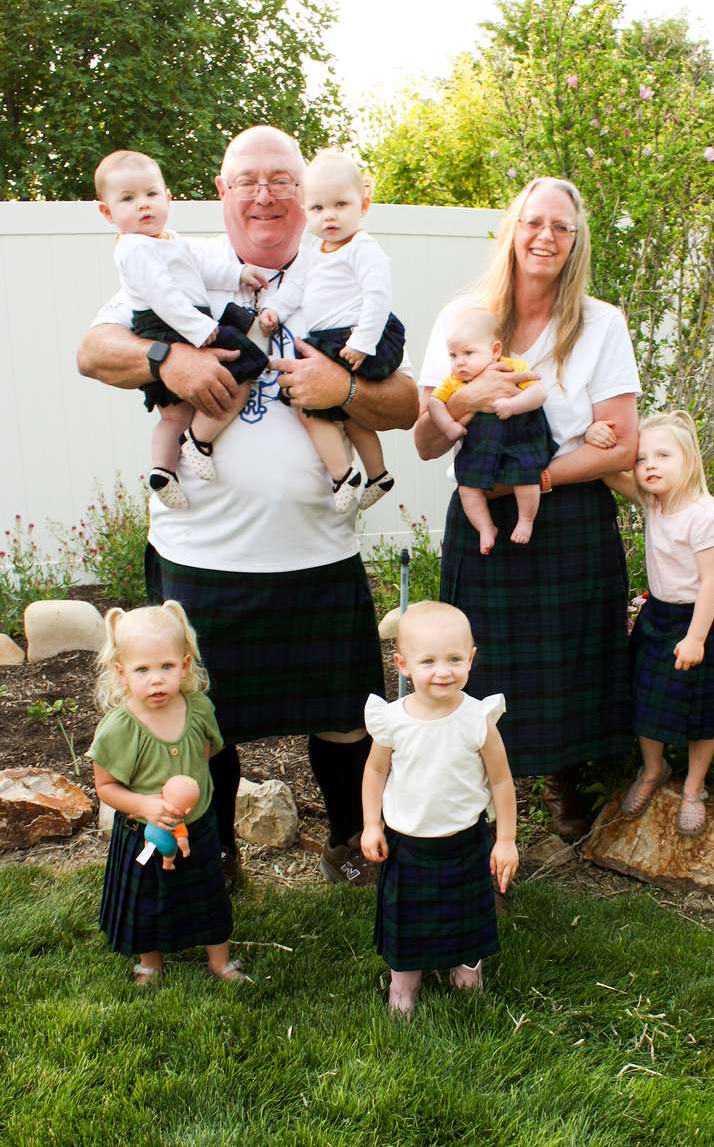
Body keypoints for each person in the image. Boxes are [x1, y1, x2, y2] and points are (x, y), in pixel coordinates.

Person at [77, 125, 419, 890]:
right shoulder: (178, 260)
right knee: (204, 723)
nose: (264, 195)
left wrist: (344, 388)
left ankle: (346, 843)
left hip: (319, 551)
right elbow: (94, 350)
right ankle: (217, 852)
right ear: (221, 192)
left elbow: (405, 403)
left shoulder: (340, 267)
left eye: (282, 180)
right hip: (203, 554)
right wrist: (170, 357)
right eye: (246, 181)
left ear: (307, 193)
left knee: (342, 715)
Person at [415, 176, 641, 841]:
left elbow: (623, 442)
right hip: (481, 516)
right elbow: (426, 442)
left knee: (568, 656)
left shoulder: (600, 324)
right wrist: (464, 397)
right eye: (533, 222)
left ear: (576, 241)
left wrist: (532, 478)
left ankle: (563, 777)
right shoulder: (463, 320)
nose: (545, 236)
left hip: (565, 512)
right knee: (478, 655)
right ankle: (478, 782)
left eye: (561, 227)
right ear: (512, 230)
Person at [361, 601, 518, 1018]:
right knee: (408, 918)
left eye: (454, 659)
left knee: (467, 913)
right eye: (428, 661)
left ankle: (467, 968)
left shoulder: (477, 718)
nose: (443, 671)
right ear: (403, 665)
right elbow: (375, 771)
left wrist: (505, 839)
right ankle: (404, 982)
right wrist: (371, 824)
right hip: (408, 844)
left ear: (471, 658)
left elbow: (501, 781)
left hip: (465, 840)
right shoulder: (393, 720)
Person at [95, 150, 270, 510]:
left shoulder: (169, 240)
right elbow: (164, 297)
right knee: (247, 365)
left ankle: (163, 471)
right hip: (171, 327)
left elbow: (202, 268)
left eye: (151, 194)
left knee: (174, 413)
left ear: (168, 198)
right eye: (128, 198)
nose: (143, 204)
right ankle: (197, 442)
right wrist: (200, 330)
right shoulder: (133, 248)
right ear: (107, 212)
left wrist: (238, 274)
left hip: (184, 324)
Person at [87, 602, 247, 985]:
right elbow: (105, 786)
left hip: (198, 828)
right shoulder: (120, 728)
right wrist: (144, 804)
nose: (156, 680)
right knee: (146, 900)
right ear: (121, 672)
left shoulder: (198, 710)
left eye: (166, 666)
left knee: (209, 894)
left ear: (185, 665)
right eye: (142, 669)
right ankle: (151, 963)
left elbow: (205, 755)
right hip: (143, 834)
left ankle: (220, 961)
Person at [601, 411, 714, 835]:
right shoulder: (653, 502)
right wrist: (599, 437)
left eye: (663, 455)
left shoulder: (705, 515)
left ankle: (694, 789)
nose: (650, 465)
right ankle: (653, 770)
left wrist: (696, 639)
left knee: (703, 709)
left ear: (689, 460)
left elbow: (711, 582)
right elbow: (607, 471)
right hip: (658, 618)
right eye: (642, 458)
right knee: (646, 699)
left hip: (703, 622)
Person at [259, 150, 403, 513]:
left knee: (307, 405)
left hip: (358, 337)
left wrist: (362, 342)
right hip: (329, 341)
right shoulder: (312, 252)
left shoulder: (363, 249)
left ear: (364, 204)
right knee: (347, 411)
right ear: (305, 210)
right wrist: (275, 309)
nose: (330, 216)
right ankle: (377, 474)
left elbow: (378, 297)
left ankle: (343, 476)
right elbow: (294, 287)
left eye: (341, 204)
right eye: (318, 208)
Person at [427, 305, 556, 554]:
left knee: (526, 477)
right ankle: (486, 527)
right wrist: (449, 425)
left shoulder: (512, 367)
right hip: (481, 446)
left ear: (495, 350)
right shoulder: (454, 381)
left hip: (519, 438)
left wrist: (514, 404)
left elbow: (539, 393)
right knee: (467, 486)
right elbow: (434, 403)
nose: (459, 361)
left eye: (468, 353)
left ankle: (526, 520)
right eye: (453, 355)